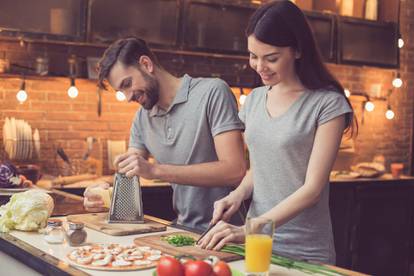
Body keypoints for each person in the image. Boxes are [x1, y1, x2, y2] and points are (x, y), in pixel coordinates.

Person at [198, 0, 356, 264]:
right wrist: (237, 194)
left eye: (271, 58)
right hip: (257, 244)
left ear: (297, 50)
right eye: (253, 56)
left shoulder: (328, 104)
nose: (260, 66)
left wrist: (248, 229)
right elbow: (261, 168)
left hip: (304, 250)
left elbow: (312, 189)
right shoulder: (255, 99)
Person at [83, 37, 246, 231]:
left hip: (228, 233)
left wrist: (155, 170)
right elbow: (129, 171)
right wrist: (102, 190)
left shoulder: (212, 92)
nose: (127, 98)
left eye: (127, 84)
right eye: (121, 90)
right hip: (182, 230)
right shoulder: (141, 119)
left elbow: (235, 171)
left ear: (146, 64)